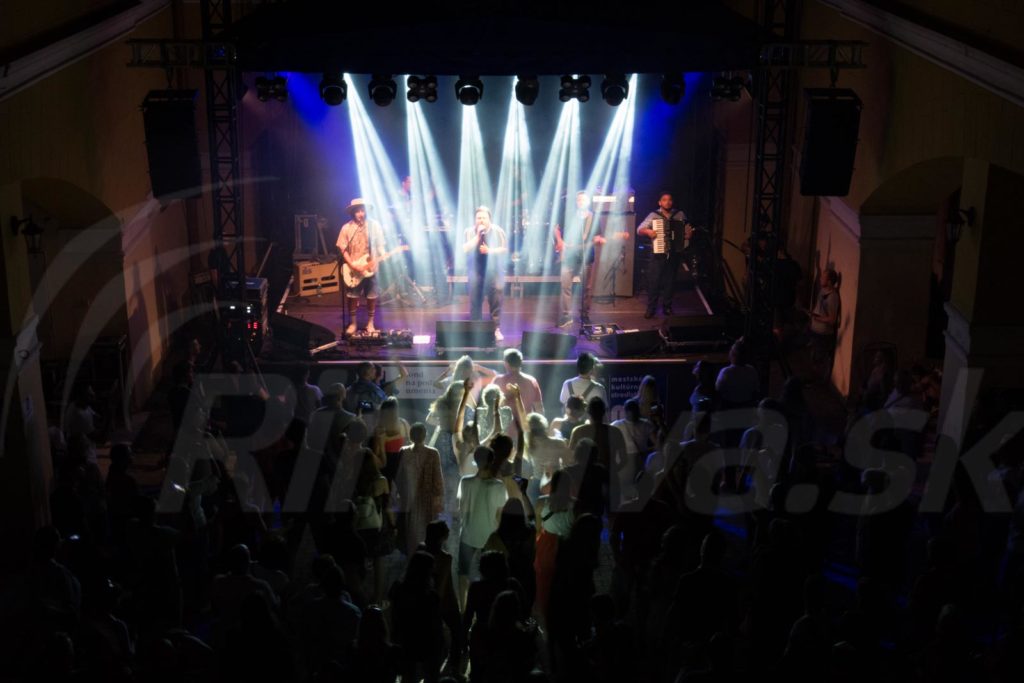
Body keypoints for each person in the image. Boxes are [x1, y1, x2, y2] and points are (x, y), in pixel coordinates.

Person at [338, 197, 388, 336]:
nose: (361, 214)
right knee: (352, 296)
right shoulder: (346, 228)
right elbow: (343, 249)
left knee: (372, 296)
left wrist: (382, 256)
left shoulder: (374, 226)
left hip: (371, 268)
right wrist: (352, 264)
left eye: (363, 211)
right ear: (353, 212)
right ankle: (353, 323)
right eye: (358, 211)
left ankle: (370, 323)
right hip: (353, 269)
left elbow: (380, 245)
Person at [636, 192, 692, 318]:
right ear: (660, 202)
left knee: (670, 282)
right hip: (658, 254)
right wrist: (648, 231)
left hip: (674, 253)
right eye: (664, 200)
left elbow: (688, 228)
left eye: (670, 200)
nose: (667, 202)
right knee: (654, 282)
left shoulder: (680, 214)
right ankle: (651, 308)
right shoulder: (654, 215)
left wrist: (688, 234)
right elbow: (639, 229)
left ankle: (667, 307)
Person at [462, 206, 509, 342]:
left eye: (484, 218)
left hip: (494, 272)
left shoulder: (498, 231)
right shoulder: (469, 232)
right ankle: (476, 330)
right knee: (475, 302)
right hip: (476, 271)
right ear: (475, 219)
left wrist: (490, 250)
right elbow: (465, 248)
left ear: (489, 219)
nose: (481, 220)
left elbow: (505, 249)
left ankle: (495, 329)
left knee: (495, 302)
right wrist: (478, 236)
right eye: (479, 218)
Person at [556, 191, 598, 328]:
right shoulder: (569, 216)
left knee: (586, 288)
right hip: (569, 256)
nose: (580, 202)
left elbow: (597, 236)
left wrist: (598, 239)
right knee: (565, 286)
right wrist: (560, 240)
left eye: (583, 200)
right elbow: (556, 229)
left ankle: (584, 314)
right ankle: (566, 315)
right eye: (578, 199)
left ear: (588, 202)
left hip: (586, 257)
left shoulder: (593, 218)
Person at [492, 348, 544, 440]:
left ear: (506, 363)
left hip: (503, 432)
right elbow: (539, 409)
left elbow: (490, 405)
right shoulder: (531, 381)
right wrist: (540, 431)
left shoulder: (498, 381)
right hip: (525, 432)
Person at [808, 267, 840, 383]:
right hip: (815, 331)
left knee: (819, 359)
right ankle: (813, 380)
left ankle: (818, 382)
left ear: (829, 282)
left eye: (823, 277)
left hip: (823, 335)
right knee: (814, 357)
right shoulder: (822, 291)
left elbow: (832, 320)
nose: (821, 279)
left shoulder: (832, 297)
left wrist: (817, 318)